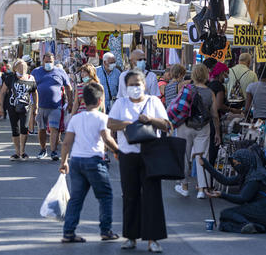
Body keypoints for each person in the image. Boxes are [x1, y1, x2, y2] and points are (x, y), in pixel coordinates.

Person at [108, 70, 170, 253]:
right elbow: (110, 123)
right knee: (130, 195)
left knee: (153, 196)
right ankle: (131, 236)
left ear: (145, 85)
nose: (135, 88)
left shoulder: (154, 102)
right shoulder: (121, 103)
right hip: (128, 154)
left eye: (138, 84)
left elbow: (167, 125)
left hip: (151, 154)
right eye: (131, 84)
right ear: (125, 87)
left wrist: (150, 119)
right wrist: (128, 124)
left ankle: (153, 239)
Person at [59, 82, 120, 243]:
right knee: (105, 196)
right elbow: (107, 138)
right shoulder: (102, 118)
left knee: (76, 199)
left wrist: (64, 161)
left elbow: (66, 143)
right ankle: (105, 230)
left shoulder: (76, 119)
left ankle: (68, 231)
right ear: (100, 102)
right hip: (94, 161)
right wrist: (117, 151)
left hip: (77, 161)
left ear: (83, 102)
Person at [200, 146, 266, 234]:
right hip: (261, 213)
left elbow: (242, 198)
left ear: (245, 161)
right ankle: (252, 227)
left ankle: (250, 225)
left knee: (226, 214)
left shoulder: (255, 178)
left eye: (237, 164)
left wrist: (221, 195)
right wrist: (206, 165)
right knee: (223, 224)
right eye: (234, 164)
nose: (236, 167)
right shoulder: (247, 173)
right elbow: (225, 180)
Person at [175, 64, 221, 199]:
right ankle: (202, 188)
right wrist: (217, 132)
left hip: (185, 126)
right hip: (203, 127)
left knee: (184, 155)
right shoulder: (210, 92)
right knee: (202, 157)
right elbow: (214, 114)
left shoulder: (186, 88)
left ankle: (184, 186)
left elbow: (179, 106)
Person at [31, 53, 73, 161]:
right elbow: (30, 88)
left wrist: (70, 102)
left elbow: (68, 87)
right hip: (40, 106)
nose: (48, 63)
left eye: (50, 61)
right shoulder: (36, 72)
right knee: (42, 129)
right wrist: (32, 104)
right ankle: (43, 149)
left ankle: (53, 151)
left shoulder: (60, 72)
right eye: (46, 61)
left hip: (56, 106)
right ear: (42, 61)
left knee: (54, 128)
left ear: (54, 61)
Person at [0, 59, 38, 160]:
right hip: (12, 106)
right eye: (20, 67)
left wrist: (36, 106)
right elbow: (3, 92)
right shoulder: (10, 78)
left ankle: (23, 151)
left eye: (24, 67)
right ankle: (17, 152)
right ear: (15, 68)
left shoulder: (30, 78)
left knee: (24, 128)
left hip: (26, 107)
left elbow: (34, 92)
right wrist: (1, 107)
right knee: (15, 129)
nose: (22, 68)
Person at [208, 62, 240, 167]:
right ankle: (210, 177)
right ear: (221, 73)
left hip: (206, 121)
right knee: (213, 150)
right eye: (226, 73)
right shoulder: (219, 86)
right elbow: (218, 106)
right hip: (214, 121)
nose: (227, 76)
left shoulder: (210, 83)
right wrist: (233, 110)